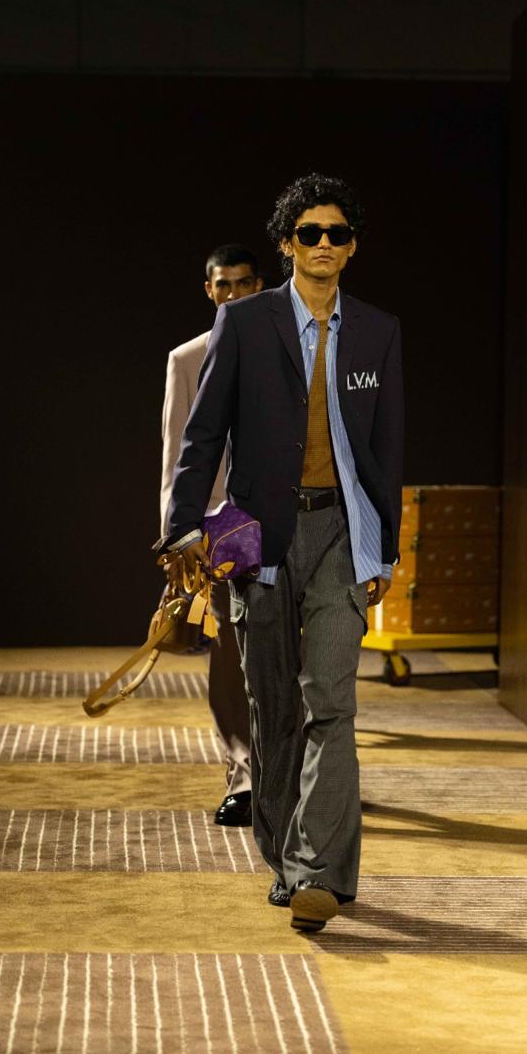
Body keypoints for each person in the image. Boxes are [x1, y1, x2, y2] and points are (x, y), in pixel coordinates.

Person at [160, 173, 404, 933]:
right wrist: (182, 527)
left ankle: (317, 872)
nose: (323, 244)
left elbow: (386, 447)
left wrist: (384, 551)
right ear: (286, 244)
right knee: (274, 710)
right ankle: (286, 859)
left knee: (332, 701)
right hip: (262, 538)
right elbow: (203, 434)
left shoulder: (377, 331)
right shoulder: (244, 323)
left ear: (352, 247)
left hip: (342, 533)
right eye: (309, 233)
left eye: (337, 233)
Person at [159, 243, 263, 826]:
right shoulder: (187, 359)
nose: (233, 294)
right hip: (222, 529)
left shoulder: (291, 350)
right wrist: (177, 539)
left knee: (292, 653)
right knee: (229, 655)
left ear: (259, 287)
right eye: (223, 285)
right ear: (209, 290)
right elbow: (177, 453)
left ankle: (298, 774)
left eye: (243, 283)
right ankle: (243, 778)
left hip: (289, 519)